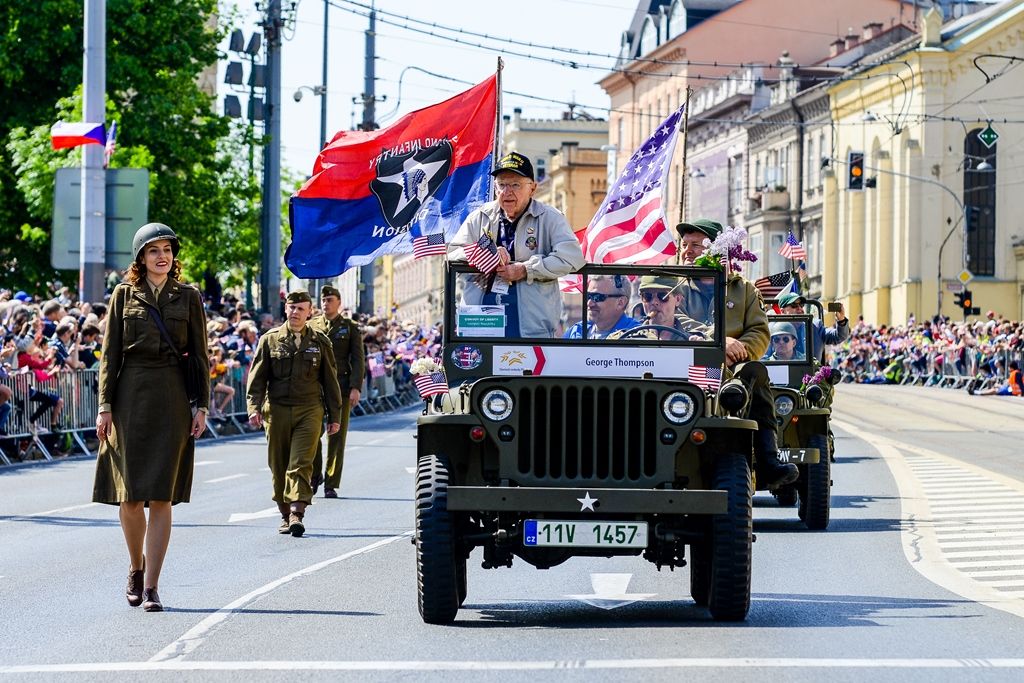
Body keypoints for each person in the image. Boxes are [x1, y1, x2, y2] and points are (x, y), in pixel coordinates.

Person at [93, 222, 210, 612]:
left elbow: (201, 356)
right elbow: (110, 355)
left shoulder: (188, 297)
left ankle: (153, 587)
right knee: (131, 496)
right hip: (130, 397)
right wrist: (104, 405)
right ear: (141, 258)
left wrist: (202, 406)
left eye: (167, 249)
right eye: (154, 250)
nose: (163, 256)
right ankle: (135, 566)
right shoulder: (123, 296)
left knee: (162, 496)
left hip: (173, 396)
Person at [676, 218, 797, 487]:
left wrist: (734, 352)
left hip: (732, 373)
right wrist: (719, 343)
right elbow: (673, 321)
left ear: (716, 250)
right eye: (685, 245)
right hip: (684, 366)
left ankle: (768, 461)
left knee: (756, 371)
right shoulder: (674, 287)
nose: (687, 251)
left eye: (696, 245)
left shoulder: (745, 290)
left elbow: (760, 332)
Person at [448, 151, 585, 338]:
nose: (507, 192)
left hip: (531, 329)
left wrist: (526, 269)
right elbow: (453, 254)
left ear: (532, 188)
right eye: (502, 185)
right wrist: (485, 254)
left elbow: (572, 257)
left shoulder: (550, 218)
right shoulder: (480, 217)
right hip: (481, 322)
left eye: (515, 185)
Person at [246, 291, 343, 537]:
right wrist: (253, 408)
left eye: (301, 308)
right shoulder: (270, 340)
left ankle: (297, 513)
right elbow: (257, 378)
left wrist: (335, 416)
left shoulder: (320, 341)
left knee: (300, 462)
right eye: (291, 308)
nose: (295, 312)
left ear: (310, 311)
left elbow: (330, 381)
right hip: (277, 410)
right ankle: (284, 513)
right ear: (285, 309)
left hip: (309, 409)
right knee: (279, 465)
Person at [309, 284, 365, 498]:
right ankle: (315, 474)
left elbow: (358, 359)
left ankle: (331, 482)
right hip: (316, 387)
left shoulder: (349, 327)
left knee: (337, 436)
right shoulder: (313, 325)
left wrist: (355, 387)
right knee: (313, 433)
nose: (326, 304)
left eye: (330, 300)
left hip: (341, 388)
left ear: (338, 303)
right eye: (323, 300)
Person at [609, 276, 706, 340]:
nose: (654, 302)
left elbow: (714, 369)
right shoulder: (625, 338)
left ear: (678, 299)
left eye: (662, 296)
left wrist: (699, 351)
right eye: (647, 296)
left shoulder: (692, 340)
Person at [776, 292, 849, 363]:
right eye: (794, 305)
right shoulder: (775, 330)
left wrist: (841, 320)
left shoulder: (815, 326)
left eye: (801, 305)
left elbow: (838, 336)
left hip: (811, 373)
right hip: (783, 372)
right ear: (783, 311)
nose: (799, 308)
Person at [563, 275, 638, 340]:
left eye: (597, 297)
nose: (589, 303)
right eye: (588, 296)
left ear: (621, 302)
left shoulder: (637, 334)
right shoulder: (575, 332)